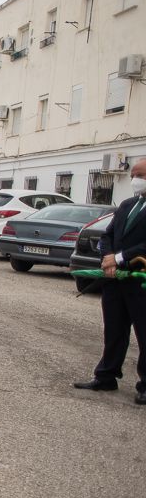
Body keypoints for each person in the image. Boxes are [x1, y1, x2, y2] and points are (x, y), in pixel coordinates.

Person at [74, 158, 146, 405]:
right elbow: (108, 233)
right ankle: (106, 376)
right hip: (114, 279)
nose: (134, 179)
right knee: (114, 329)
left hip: (140, 280)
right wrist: (107, 257)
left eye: (140, 175)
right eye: (134, 174)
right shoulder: (127, 204)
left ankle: (145, 385)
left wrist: (118, 258)